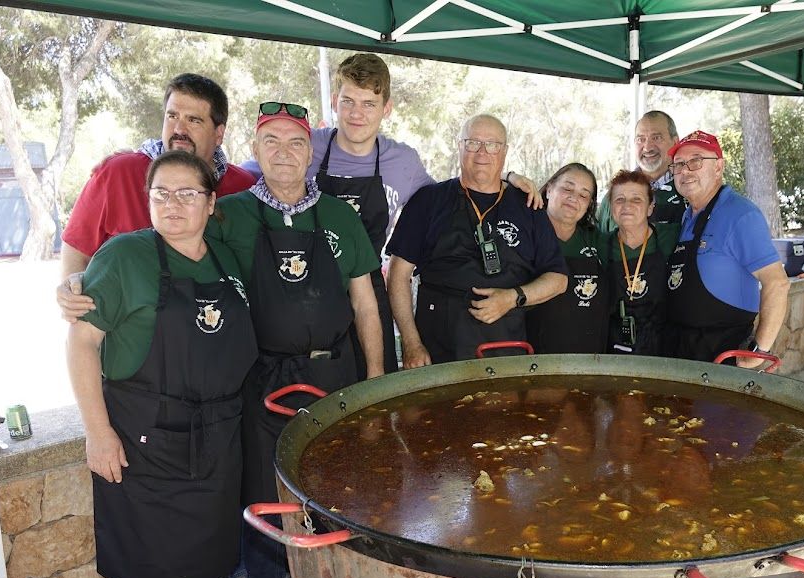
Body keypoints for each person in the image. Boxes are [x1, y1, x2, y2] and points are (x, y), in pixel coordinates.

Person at [57, 73, 255, 578]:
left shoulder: (228, 256)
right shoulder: (123, 256)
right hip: (146, 441)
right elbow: (81, 343)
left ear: (213, 201)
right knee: (167, 562)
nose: (174, 204)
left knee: (197, 555)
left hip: (216, 441)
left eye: (188, 194)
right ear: (146, 199)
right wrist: (98, 433)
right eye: (161, 194)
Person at [207, 102, 382, 578]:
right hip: (262, 376)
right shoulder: (228, 214)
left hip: (335, 372)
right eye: (272, 142)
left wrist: (376, 376)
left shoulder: (338, 215)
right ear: (255, 151)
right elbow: (174, 249)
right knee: (265, 490)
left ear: (312, 151)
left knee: (343, 485)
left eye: (296, 143)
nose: (285, 153)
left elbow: (364, 300)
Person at [246, 53, 541, 374]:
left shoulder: (403, 162)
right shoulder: (306, 145)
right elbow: (251, 174)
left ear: (386, 108)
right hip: (302, 285)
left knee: (375, 385)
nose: (357, 114)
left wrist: (507, 178)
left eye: (369, 104)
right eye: (348, 101)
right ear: (334, 102)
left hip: (367, 286)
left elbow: (454, 194)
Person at [387, 114, 567, 366]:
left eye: (492, 145)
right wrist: (411, 343)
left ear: (504, 152)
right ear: (459, 146)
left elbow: (558, 280)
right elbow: (398, 274)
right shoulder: (428, 200)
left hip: (507, 347)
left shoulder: (528, 206)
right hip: (437, 348)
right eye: (472, 143)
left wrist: (512, 298)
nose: (482, 152)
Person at [60, 73, 255, 284]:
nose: (179, 129)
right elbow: (76, 251)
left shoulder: (243, 188)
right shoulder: (118, 172)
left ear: (219, 134)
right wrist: (75, 303)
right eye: (172, 116)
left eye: (193, 120)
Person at [662, 130, 789, 366]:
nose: (685, 170)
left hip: (722, 355)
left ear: (719, 167)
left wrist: (757, 352)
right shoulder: (687, 217)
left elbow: (777, 283)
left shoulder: (741, 215)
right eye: (678, 164)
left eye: (696, 161)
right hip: (683, 350)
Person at [524, 163, 610, 354]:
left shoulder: (597, 240)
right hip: (533, 361)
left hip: (589, 362)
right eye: (567, 188)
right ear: (549, 189)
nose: (573, 198)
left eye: (583, 195)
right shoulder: (525, 235)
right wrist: (512, 176)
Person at [605, 170, 680, 356]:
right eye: (619, 199)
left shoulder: (672, 236)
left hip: (664, 348)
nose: (627, 206)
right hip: (616, 348)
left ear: (650, 207)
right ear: (611, 206)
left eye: (636, 199)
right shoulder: (599, 243)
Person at [596, 110, 685, 233]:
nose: (647, 147)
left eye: (656, 138)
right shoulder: (615, 194)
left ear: (675, 142)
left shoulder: (689, 190)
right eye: (640, 139)